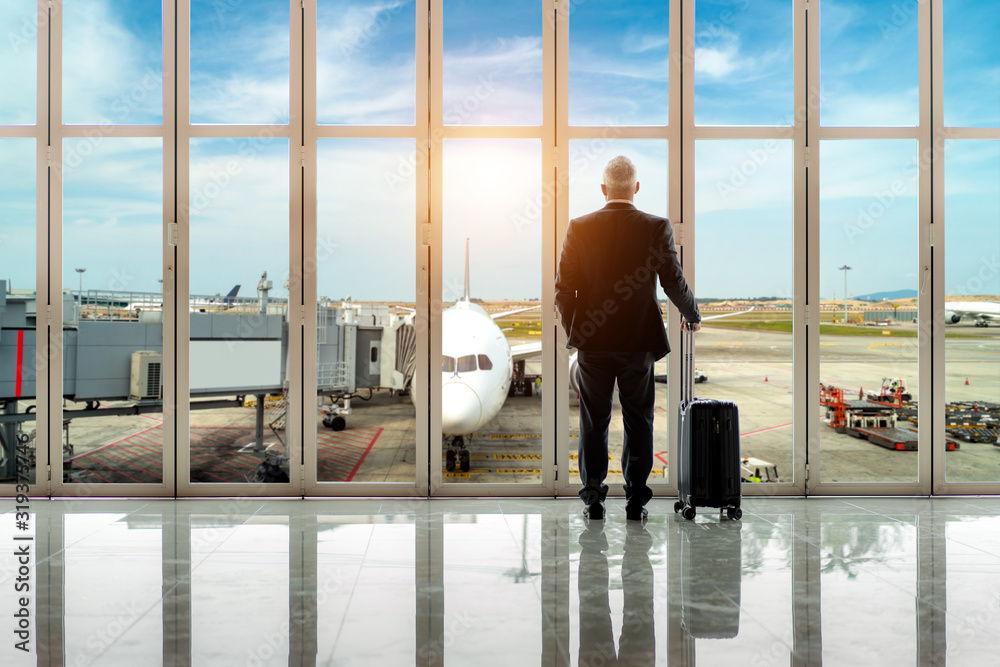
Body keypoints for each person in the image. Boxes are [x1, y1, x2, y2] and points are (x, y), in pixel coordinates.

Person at [555, 155, 701, 521]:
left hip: (594, 343)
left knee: (594, 422)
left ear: (603, 189)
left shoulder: (579, 226)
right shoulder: (655, 226)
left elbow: (563, 290)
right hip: (638, 342)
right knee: (639, 422)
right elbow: (672, 279)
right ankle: (636, 501)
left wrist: (578, 331)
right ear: (636, 188)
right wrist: (691, 314)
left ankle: (593, 500)